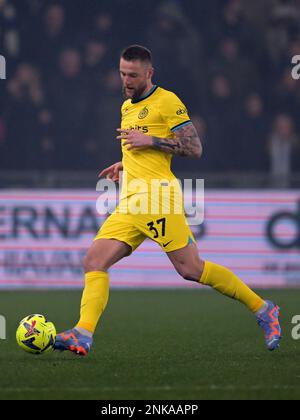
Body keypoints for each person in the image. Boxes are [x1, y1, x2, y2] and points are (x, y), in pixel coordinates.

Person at [54, 45, 281, 356]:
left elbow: (194, 147)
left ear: (149, 73)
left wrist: (152, 141)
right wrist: (125, 164)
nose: (126, 80)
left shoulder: (167, 101)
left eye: (133, 75)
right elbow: (141, 150)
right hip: (132, 201)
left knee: (190, 268)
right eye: (122, 73)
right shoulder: (126, 107)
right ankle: (83, 333)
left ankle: (263, 308)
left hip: (158, 199)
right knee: (94, 261)